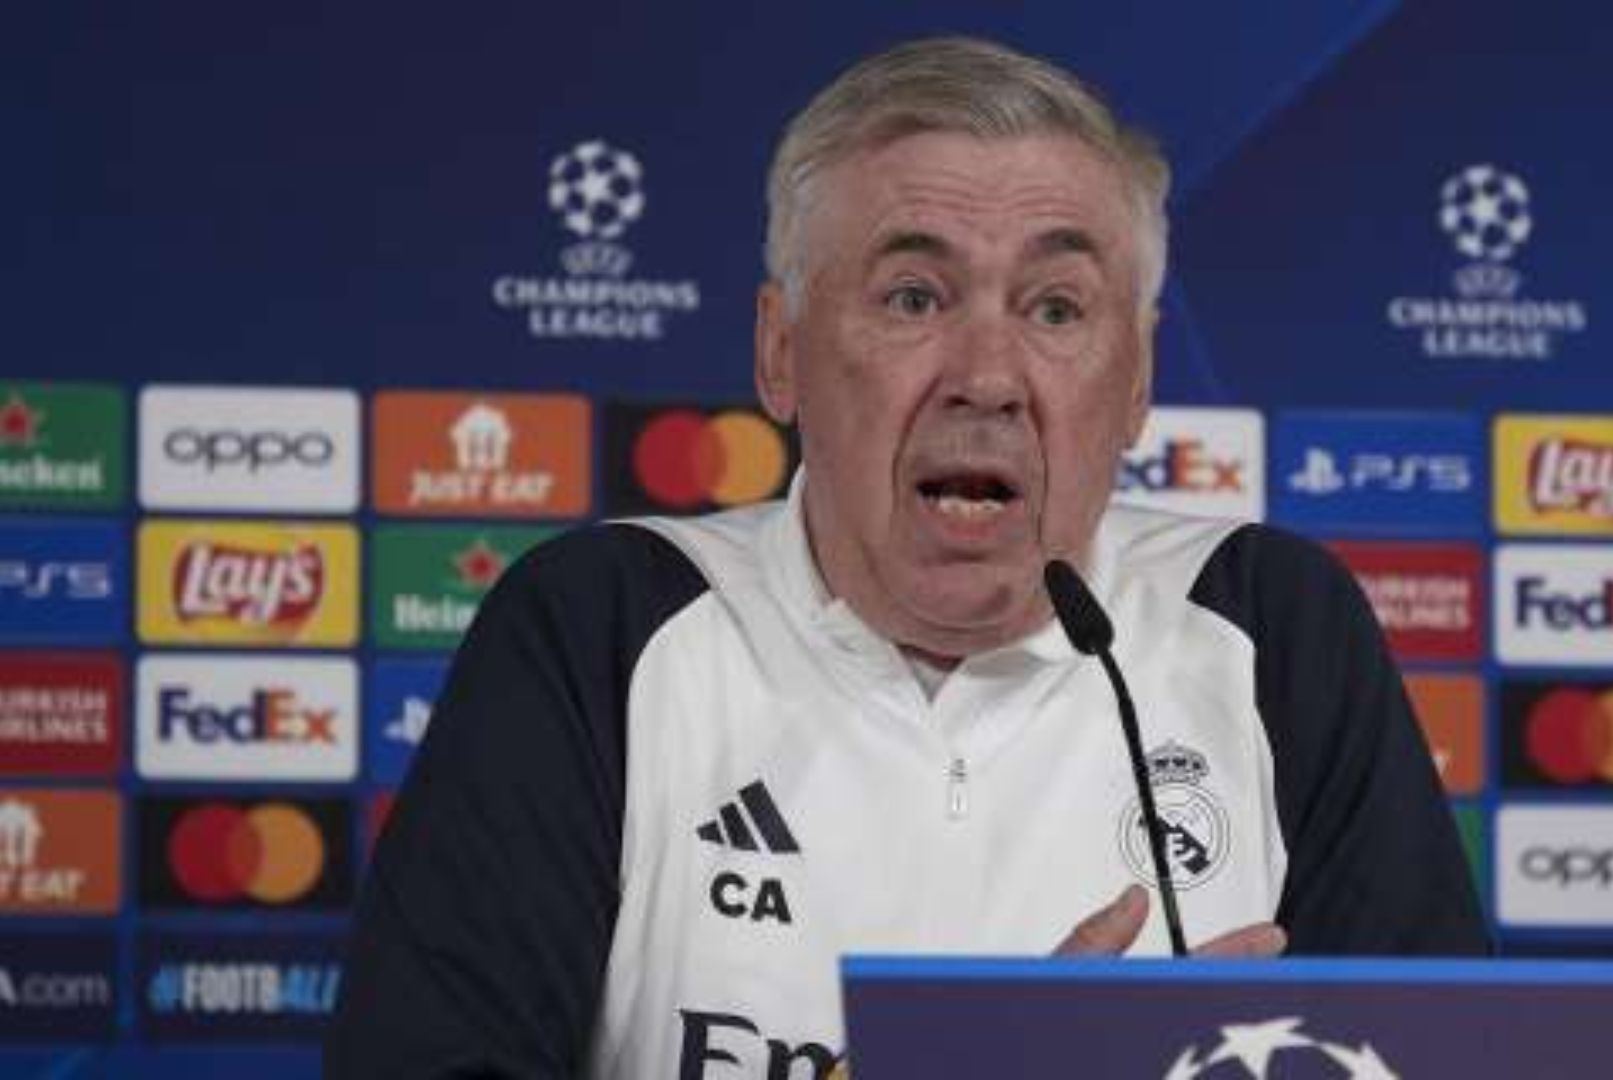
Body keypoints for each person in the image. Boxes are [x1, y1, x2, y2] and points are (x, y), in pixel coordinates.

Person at [327, 35, 1487, 1079]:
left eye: (1056, 308)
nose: (987, 377)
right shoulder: (602, 626)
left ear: (1136, 380)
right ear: (781, 354)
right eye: (915, 296)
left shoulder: (1269, 625)